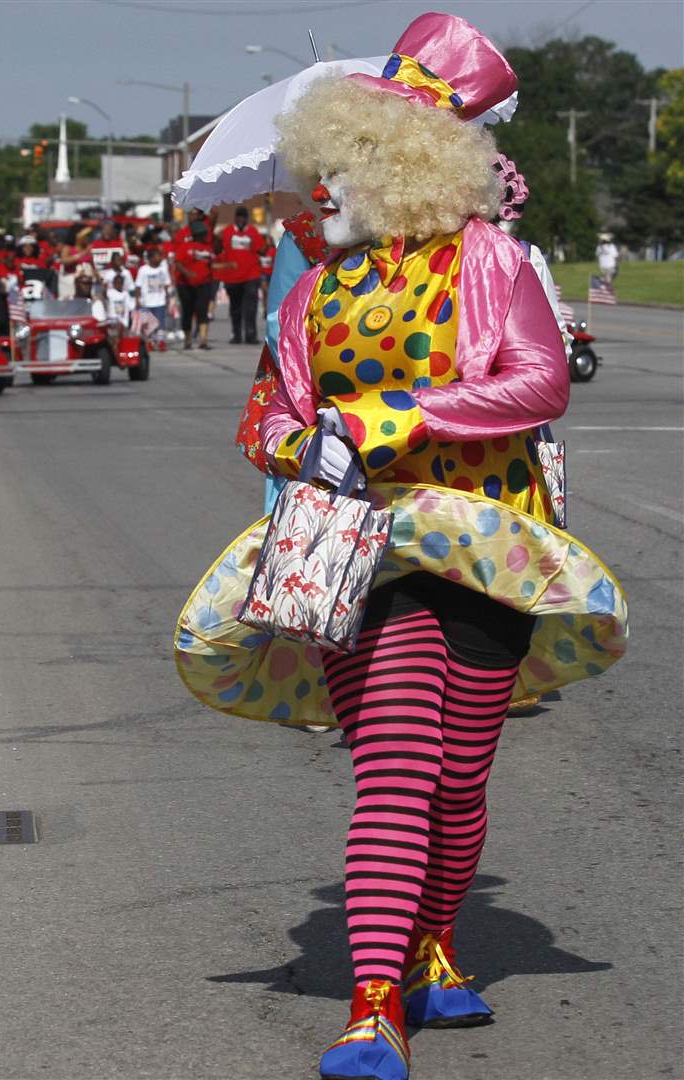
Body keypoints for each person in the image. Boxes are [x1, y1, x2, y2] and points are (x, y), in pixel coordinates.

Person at [173, 15, 628, 1080]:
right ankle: (373, 1007)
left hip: (484, 550)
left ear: (406, 167)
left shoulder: (490, 262)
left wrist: (384, 421)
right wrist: (300, 443)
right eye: (322, 165)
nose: (320, 186)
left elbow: (537, 383)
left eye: (345, 165)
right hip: (352, 552)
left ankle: (434, 945)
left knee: (457, 782)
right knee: (390, 768)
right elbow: (264, 414)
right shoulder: (320, 294)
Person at [217, 206, 264, 344]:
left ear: (247, 219)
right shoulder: (228, 231)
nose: (241, 220)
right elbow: (220, 249)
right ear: (235, 218)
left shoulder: (253, 232)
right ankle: (236, 334)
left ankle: (251, 335)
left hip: (251, 276)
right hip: (232, 277)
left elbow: (261, 249)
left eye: (244, 217)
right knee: (235, 308)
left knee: (251, 308)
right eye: (239, 217)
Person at [172, 218, 213, 350]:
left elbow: (212, 263)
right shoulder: (185, 247)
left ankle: (203, 340)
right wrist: (188, 273)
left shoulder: (208, 248)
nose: (205, 236)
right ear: (197, 234)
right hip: (185, 285)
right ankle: (188, 341)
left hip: (204, 284)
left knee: (202, 311)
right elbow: (177, 263)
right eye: (203, 233)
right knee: (187, 311)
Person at [135, 246, 173, 350]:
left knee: (160, 322)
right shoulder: (143, 270)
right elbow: (138, 286)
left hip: (160, 301)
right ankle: (150, 341)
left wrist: (168, 297)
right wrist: (137, 299)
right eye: (157, 256)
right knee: (149, 324)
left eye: (160, 256)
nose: (160, 258)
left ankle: (161, 341)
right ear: (150, 258)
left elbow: (166, 284)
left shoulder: (163, 269)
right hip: (147, 302)